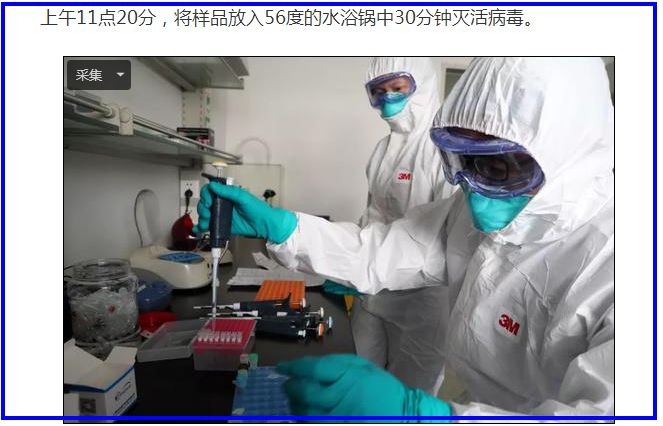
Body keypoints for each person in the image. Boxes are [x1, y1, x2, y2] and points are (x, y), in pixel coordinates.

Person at [195, 57, 614, 417]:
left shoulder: (615, 261)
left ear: (566, 154)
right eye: (464, 160)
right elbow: (379, 250)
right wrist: (282, 227)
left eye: (498, 166)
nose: (471, 186)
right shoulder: (466, 213)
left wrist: (424, 416)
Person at [322, 57, 455, 395]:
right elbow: (373, 216)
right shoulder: (383, 150)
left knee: (404, 399)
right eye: (379, 91)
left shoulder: (445, 150)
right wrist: (351, 267)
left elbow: (441, 240)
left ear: (423, 84)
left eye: (397, 88)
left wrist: (365, 263)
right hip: (372, 294)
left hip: (421, 305)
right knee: (359, 385)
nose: (388, 99)